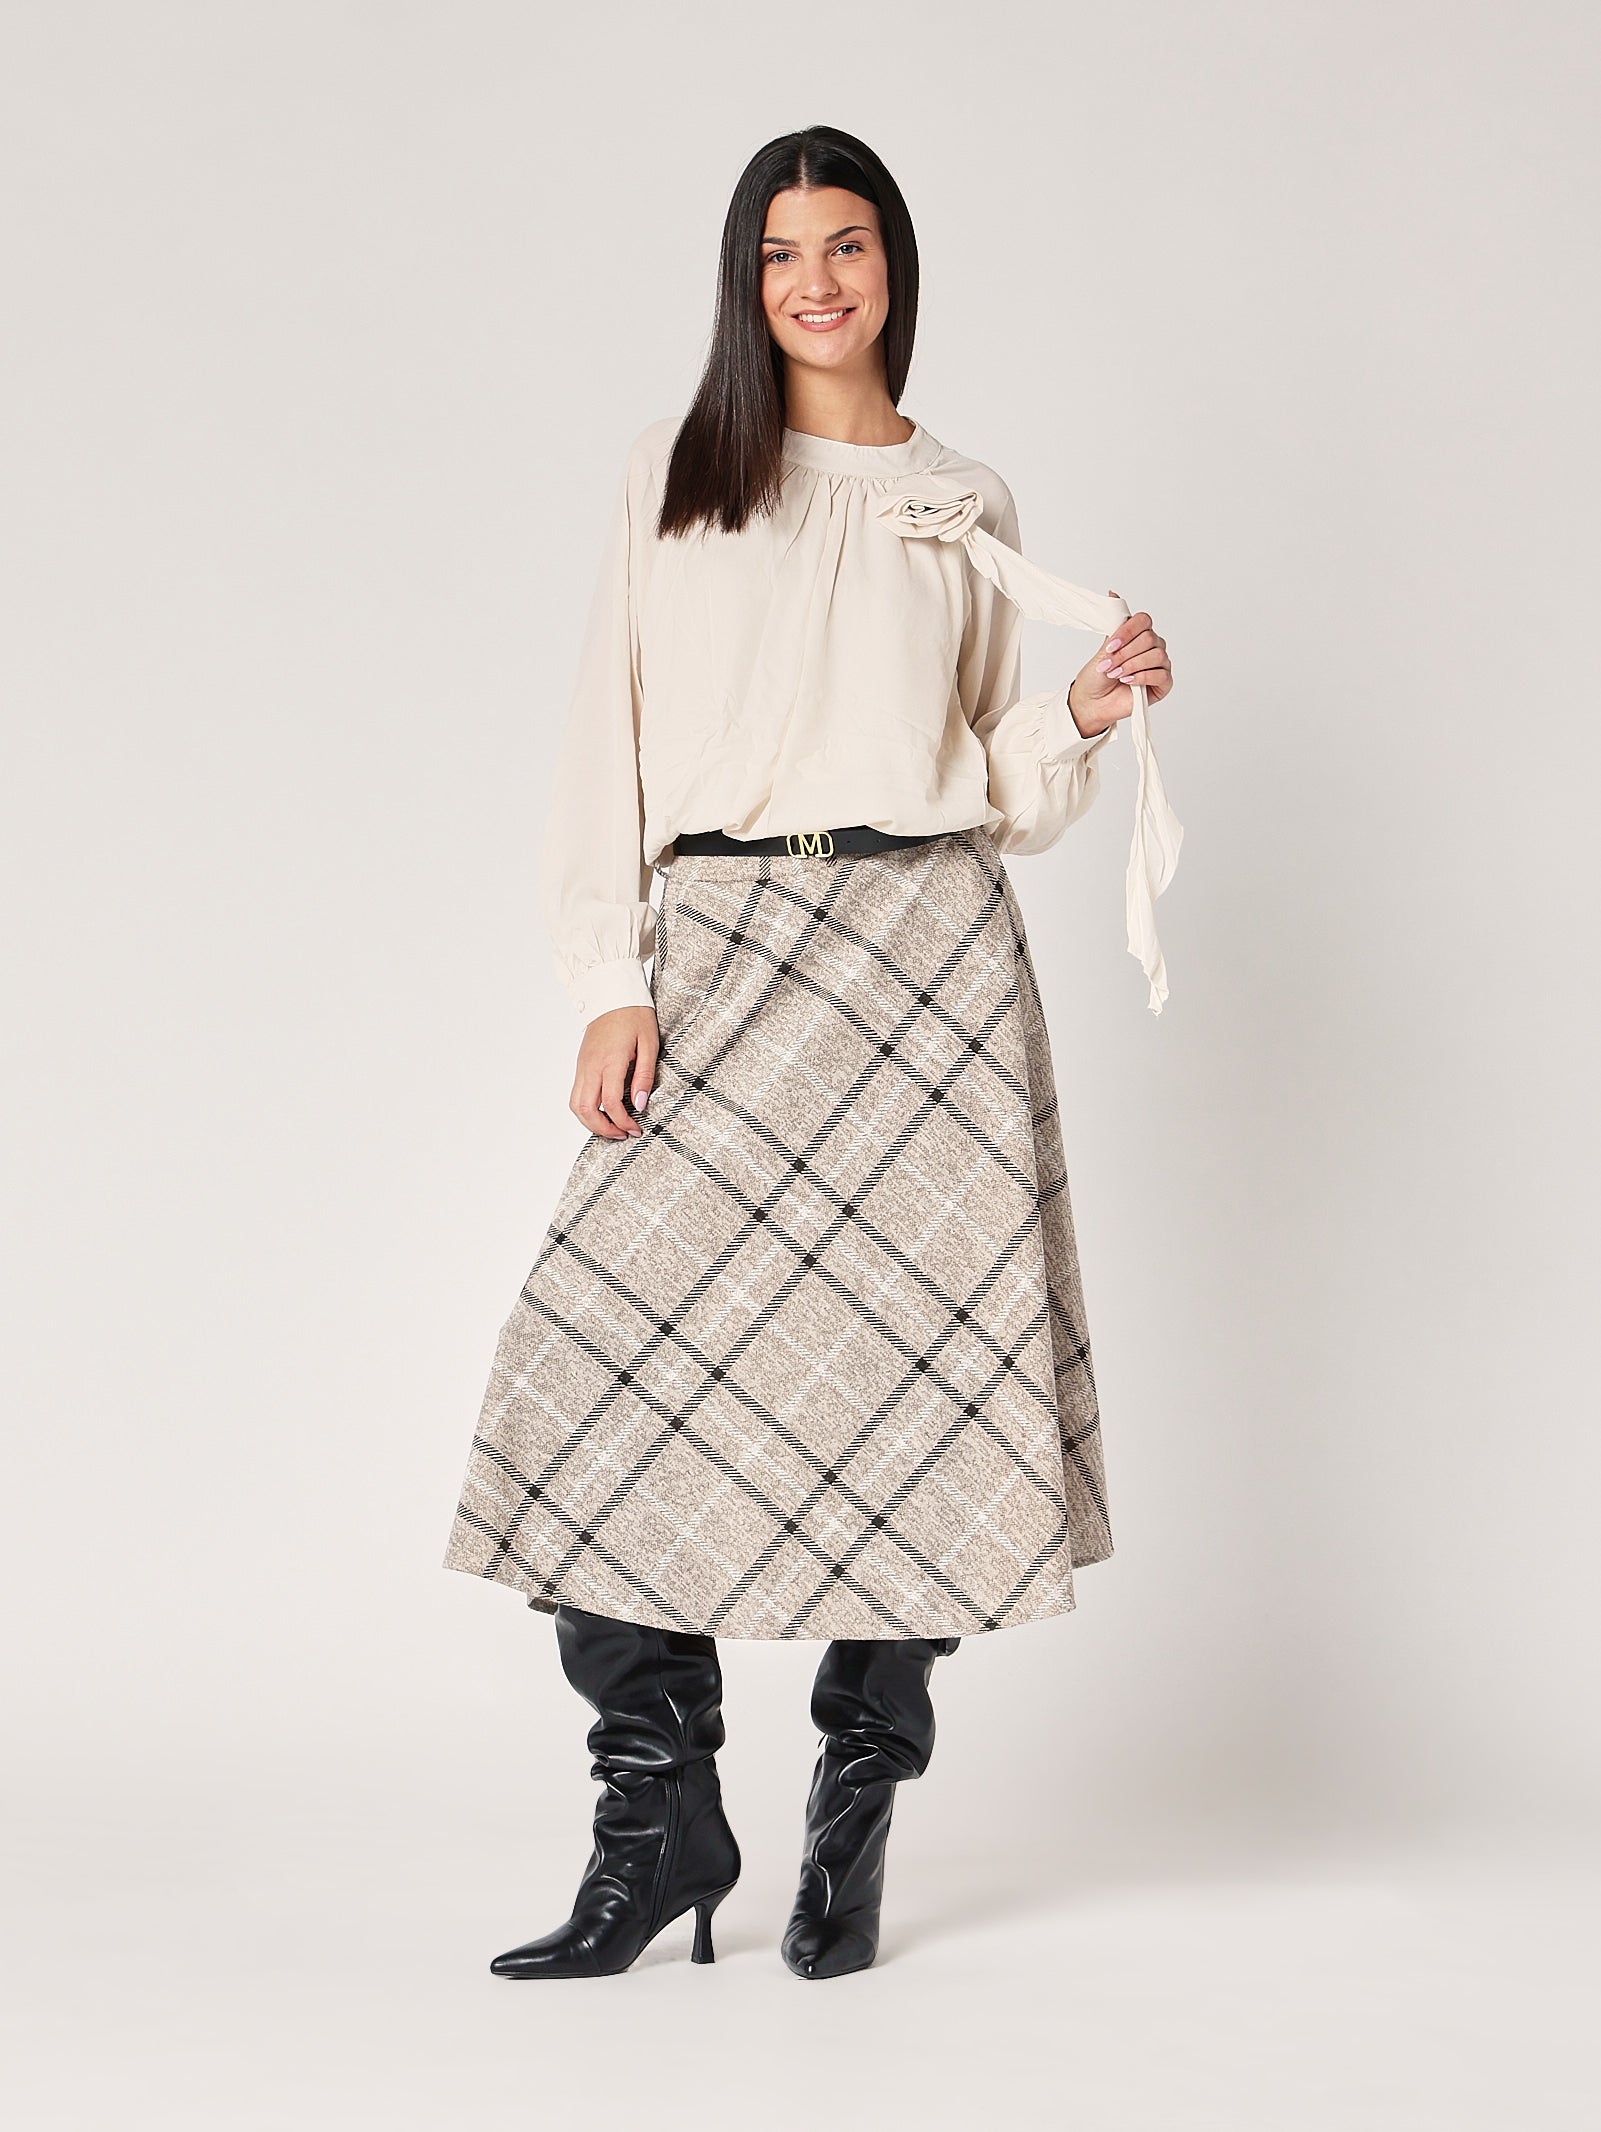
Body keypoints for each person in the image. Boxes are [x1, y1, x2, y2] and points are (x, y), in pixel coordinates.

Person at [442, 123, 1181, 1982]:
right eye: (780, 253)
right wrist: (608, 974)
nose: (814, 281)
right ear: (743, 280)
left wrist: (1079, 714)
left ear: (892, 266)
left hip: (925, 962)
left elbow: (987, 787)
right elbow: (602, 733)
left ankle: (852, 1814)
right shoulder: (678, 469)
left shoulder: (962, 496)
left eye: (844, 245)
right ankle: (662, 1823)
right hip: (721, 949)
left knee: (921, 1401)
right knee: (591, 1385)